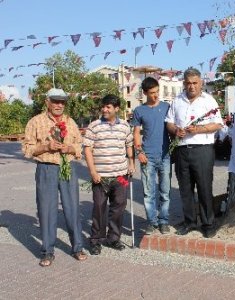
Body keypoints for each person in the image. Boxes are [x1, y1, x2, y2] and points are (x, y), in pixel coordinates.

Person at [22, 88, 87, 267]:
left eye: (62, 102)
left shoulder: (71, 122)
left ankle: (77, 247)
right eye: (55, 101)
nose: (59, 105)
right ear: (47, 102)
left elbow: (80, 146)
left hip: (68, 168)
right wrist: (46, 146)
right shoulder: (36, 121)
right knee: (46, 210)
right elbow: (27, 149)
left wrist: (70, 149)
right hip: (46, 168)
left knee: (72, 208)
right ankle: (47, 251)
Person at [166, 68, 223, 238]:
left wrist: (198, 129)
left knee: (205, 187)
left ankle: (207, 223)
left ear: (201, 83)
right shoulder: (177, 101)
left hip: (202, 150)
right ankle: (190, 222)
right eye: (188, 83)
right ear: (184, 83)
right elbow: (168, 122)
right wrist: (176, 130)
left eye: (195, 83)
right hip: (182, 150)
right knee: (185, 189)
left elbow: (217, 124)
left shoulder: (209, 101)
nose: (191, 86)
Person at [83, 94, 135, 255]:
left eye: (108, 107)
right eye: (103, 106)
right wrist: (93, 171)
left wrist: (131, 163)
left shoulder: (125, 126)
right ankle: (96, 239)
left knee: (119, 206)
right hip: (101, 176)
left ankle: (113, 238)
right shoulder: (94, 126)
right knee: (99, 208)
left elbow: (129, 145)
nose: (104, 109)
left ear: (116, 109)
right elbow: (87, 149)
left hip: (121, 176)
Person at [131, 77, 171, 235]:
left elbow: (173, 127)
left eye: (157, 92)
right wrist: (139, 152)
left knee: (165, 191)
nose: (156, 95)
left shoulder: (167, 107)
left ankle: (164, 221)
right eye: (152, 93)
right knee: (149, 192)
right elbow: (135, 133)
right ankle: (152, 221)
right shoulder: (139, 111)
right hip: (147, 156)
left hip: (165, 155)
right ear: (145, 93)